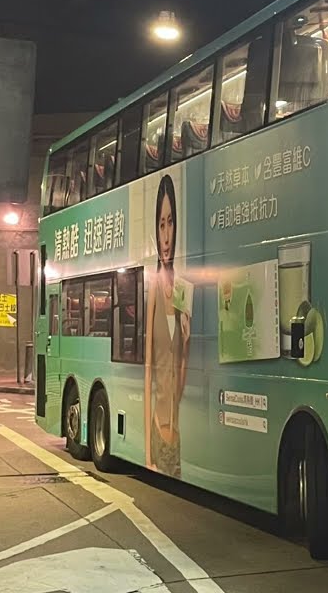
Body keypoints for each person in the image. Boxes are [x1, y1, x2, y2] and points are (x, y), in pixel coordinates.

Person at [144, 174, 190, 478]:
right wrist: (146, 453)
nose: (165, 235)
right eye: (161, 224)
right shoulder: (152, 290)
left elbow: (182, 377)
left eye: (170, 222)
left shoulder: (185, 289)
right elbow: (148, 371)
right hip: (158, 428)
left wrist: (186, 342)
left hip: (178, 432)